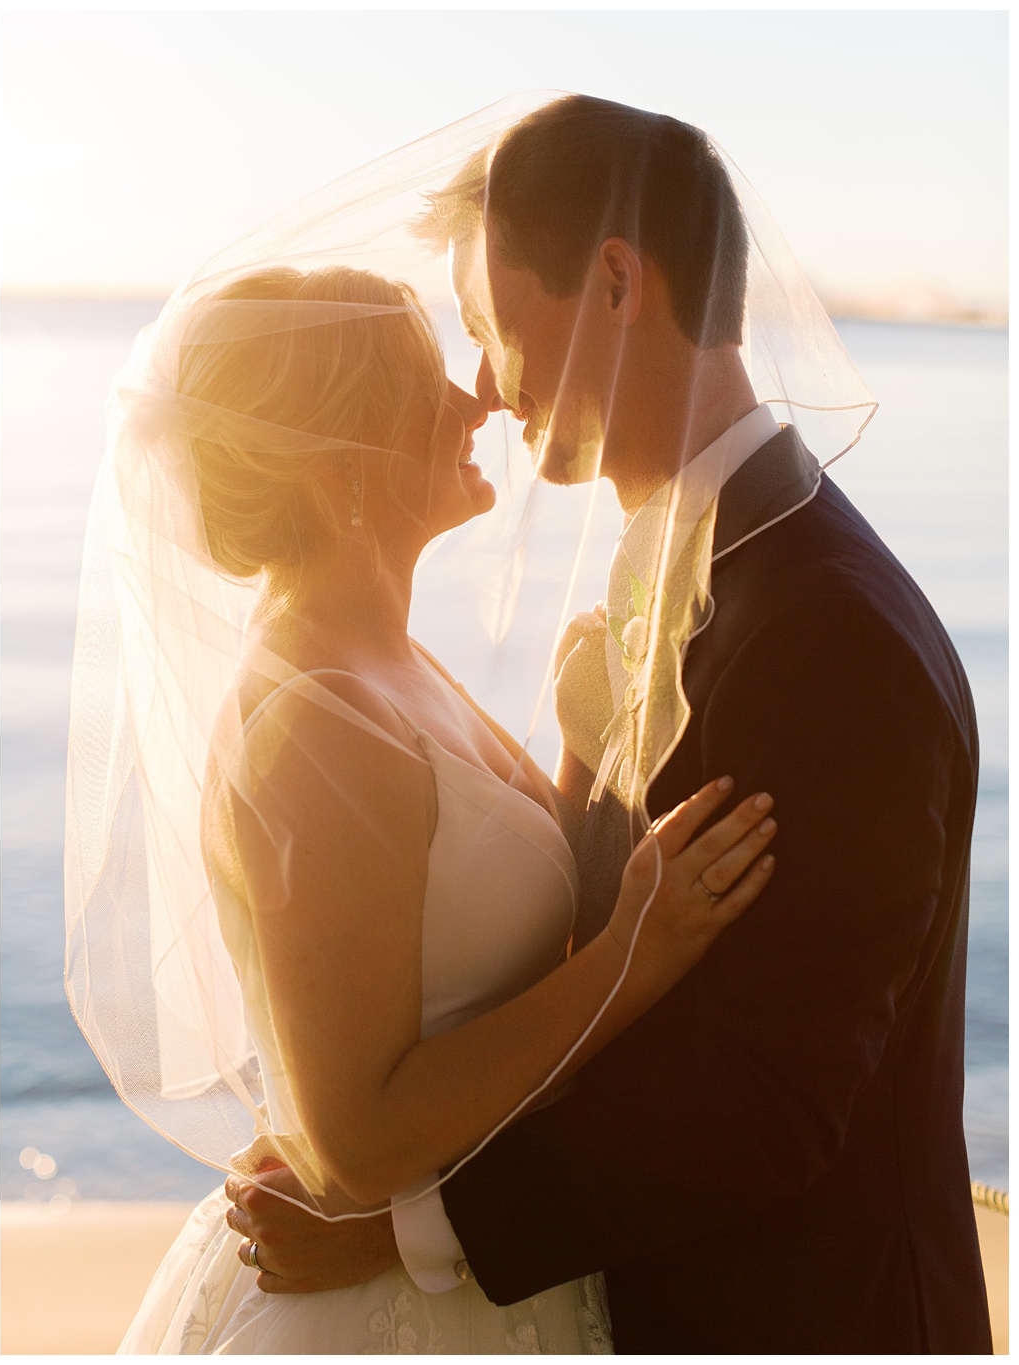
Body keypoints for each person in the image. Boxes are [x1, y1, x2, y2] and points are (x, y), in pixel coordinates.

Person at [221, 97, 989, 1353]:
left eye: (487, 322)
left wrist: (402, 1229)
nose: (479, 380)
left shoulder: (820, 632)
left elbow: (768, 1100)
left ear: (617, 282)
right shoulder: (695, 573)